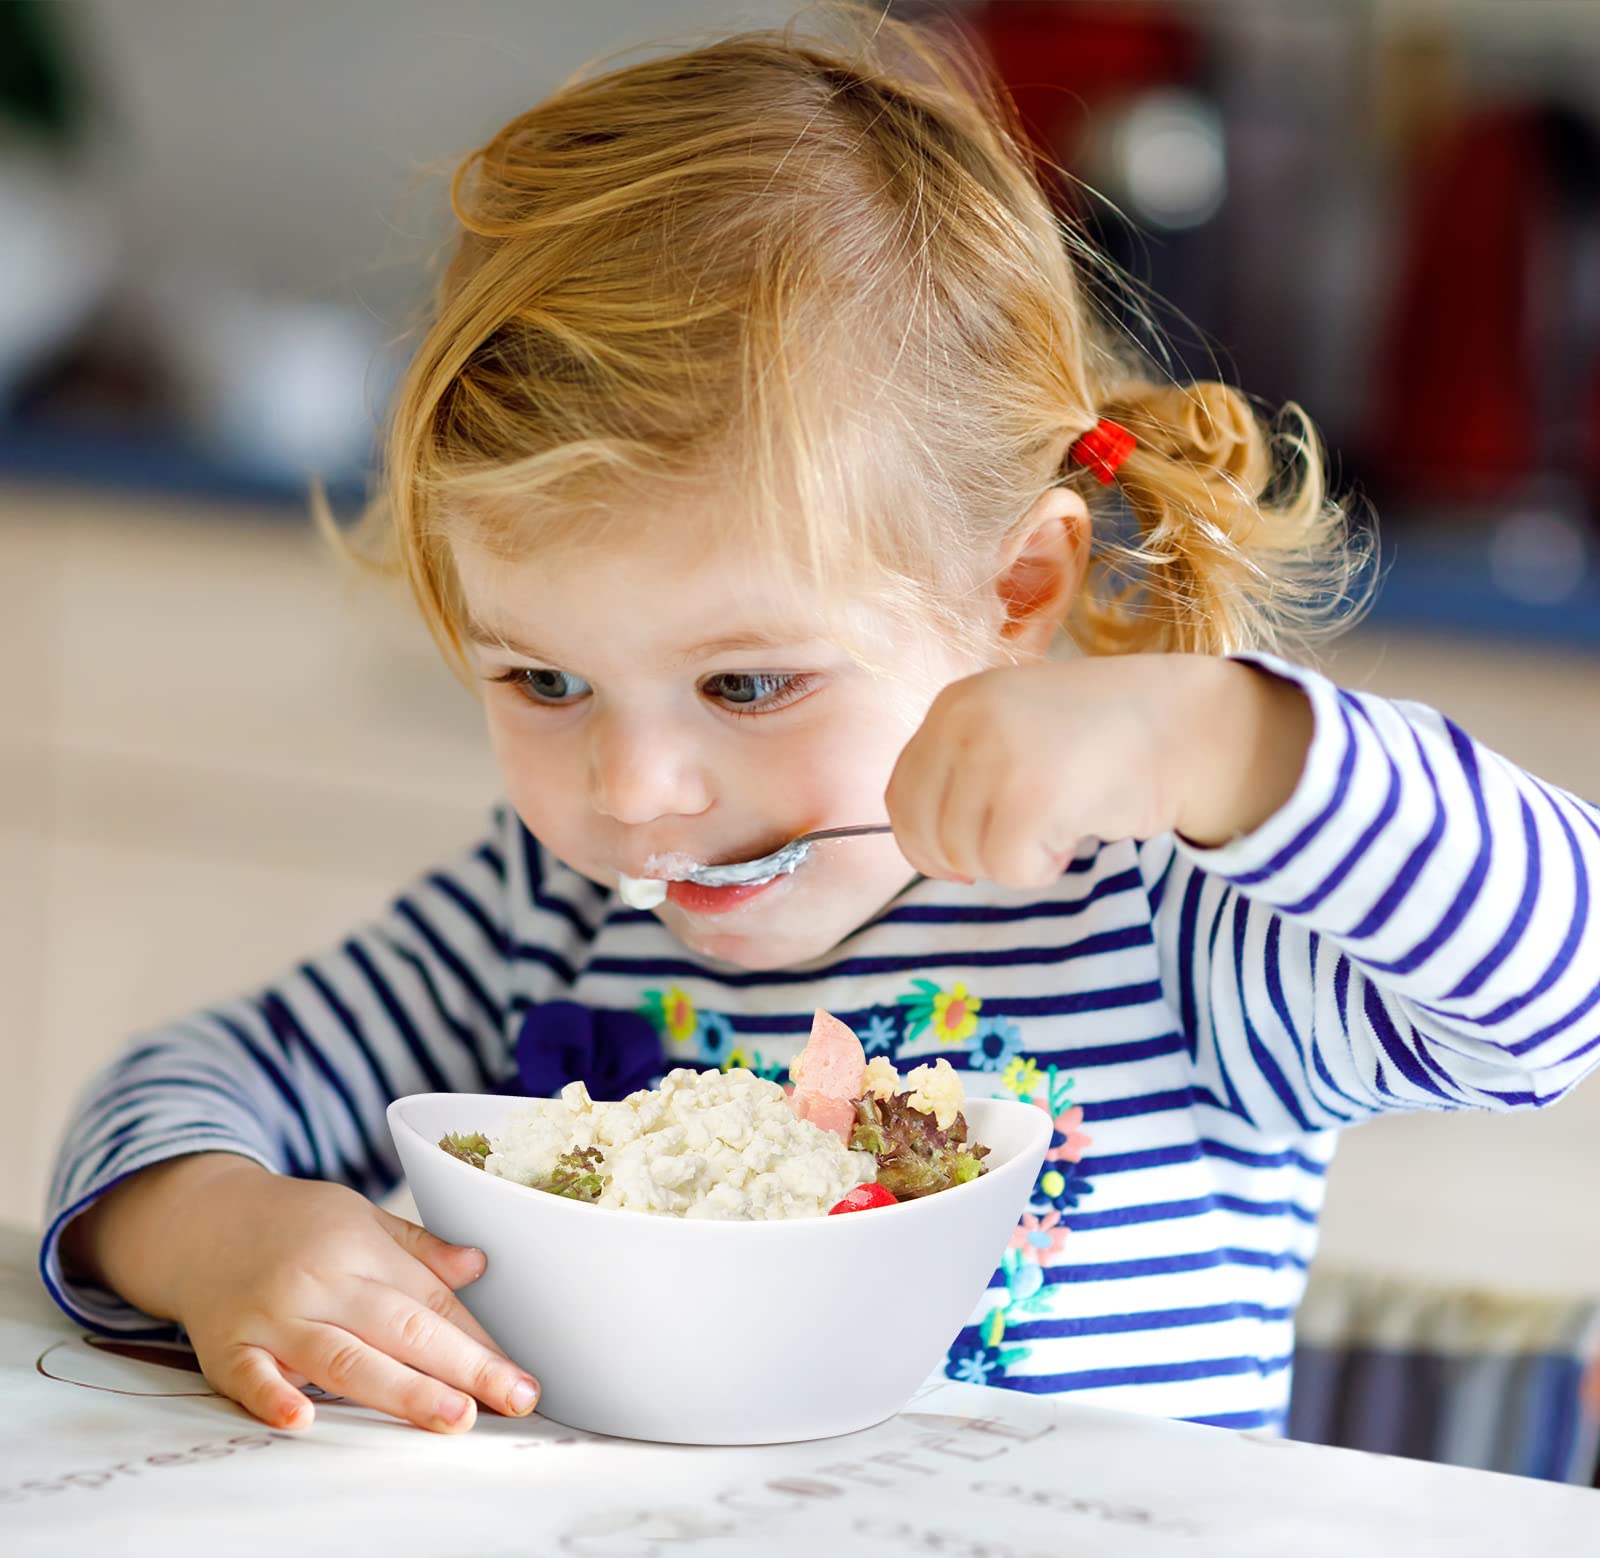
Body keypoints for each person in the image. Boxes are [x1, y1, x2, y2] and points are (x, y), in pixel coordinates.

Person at [42, 11, 1600, 1437]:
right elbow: (189, 1082)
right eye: (542, 681)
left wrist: (1226, 748)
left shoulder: (1169, 919)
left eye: (745, 684)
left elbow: (1556, 990)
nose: (637, 794)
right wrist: (213, 1227)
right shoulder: (549, 916)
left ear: (1018, 590)